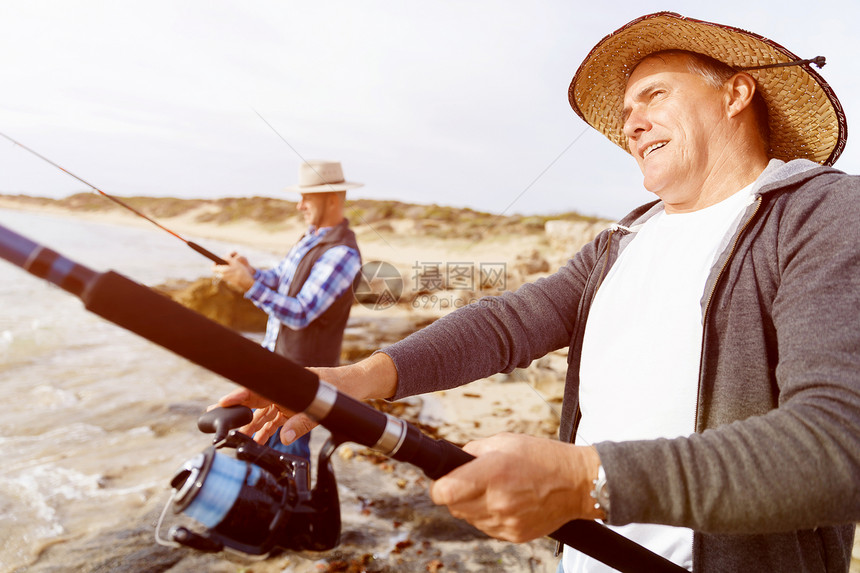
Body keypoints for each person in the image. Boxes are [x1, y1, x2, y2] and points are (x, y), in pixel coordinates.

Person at [217, 12, 860, 572]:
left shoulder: (822, 214)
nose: (631, 125)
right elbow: (508, 323)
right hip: (587, 556)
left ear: (736, 94)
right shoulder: (625, 239)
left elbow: (837, 446)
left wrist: (583, 481)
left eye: (653, 96)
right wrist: (358, 378)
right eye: (625, 115)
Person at [214, 159, 362, 463]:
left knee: (286, 455)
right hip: (273, 369)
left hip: (300, 381)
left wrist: (248, 286)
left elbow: (300, 313)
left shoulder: (342, 254)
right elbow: (280, 278)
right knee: (259, 450)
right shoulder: (309, 238)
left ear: (331, 199)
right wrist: (249, 271)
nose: (300, 206)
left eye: (306, 197)